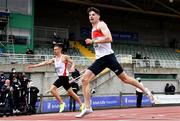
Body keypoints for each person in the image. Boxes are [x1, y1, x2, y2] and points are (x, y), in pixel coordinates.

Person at [76, 7, 156, 118]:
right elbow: (100, 47)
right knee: (84, 80)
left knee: (125, 79)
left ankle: (145, 90)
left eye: (93, 14)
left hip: (109, 58)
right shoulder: (93, 28)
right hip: (100, 59)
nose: (91, 17)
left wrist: (93, 40)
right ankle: (88, 108)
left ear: (98, 16)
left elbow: (109, 38)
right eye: (89, 15)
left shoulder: (101, 25)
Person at [27, 44, 84, 113]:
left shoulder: (64, 57)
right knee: (66, 92)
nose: (55, 51)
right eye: (54, 49)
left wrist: (72, 67)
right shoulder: (54, 59)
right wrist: (33, 66)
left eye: (56, 49)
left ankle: (66, 103)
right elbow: (44, 63)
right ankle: (78, 104)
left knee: (64, 91)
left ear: (60, 49)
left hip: (65, 78)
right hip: (60, 78)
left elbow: (73, 62)